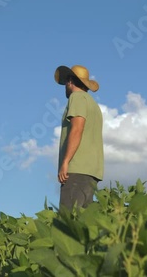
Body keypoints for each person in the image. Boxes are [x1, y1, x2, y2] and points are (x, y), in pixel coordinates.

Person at [54, 65, 104, 210]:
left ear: (70, 81)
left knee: (68, 223)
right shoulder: (93, 104)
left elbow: (77, 129)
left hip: (76, 169)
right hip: (91, 171)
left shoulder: (76, 97)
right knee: (82, 224)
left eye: (65, 83)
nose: (65, 87)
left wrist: (65, 162)